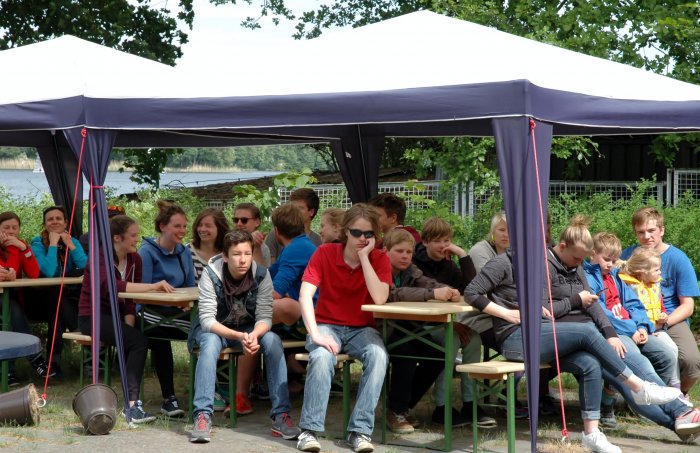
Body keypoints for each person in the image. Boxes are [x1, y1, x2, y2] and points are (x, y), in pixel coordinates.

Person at [465, 214, 688, 453]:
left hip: (546, 334)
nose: (541, 245)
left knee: (590, 364)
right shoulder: (503, 263)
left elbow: (572, 305)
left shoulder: (545, 264)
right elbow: (471, 293)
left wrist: (609, 332)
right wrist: (506, 313)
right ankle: (638, 387)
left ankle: (592, 434)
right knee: (586, 331)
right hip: (515, 338)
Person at [189, 230, 301, 443]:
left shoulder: (261, 275)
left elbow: (265, 316)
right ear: (225, 256)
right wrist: (239, 336)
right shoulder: (210, 274)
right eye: (236, 254)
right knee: (210, 344)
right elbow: (207, 321)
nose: (243, 260)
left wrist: (254, 335)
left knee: (273, 340)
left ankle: (281, 416)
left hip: (248, 328)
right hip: (216, 330)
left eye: (247, 254)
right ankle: (202, 415)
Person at [296, 203, 391, 453]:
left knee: (379, 356)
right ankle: (309, 431)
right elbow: (305, 295)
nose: (362, 239)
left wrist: (364, 258)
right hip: (327, 325)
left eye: (368, 234)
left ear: (375, 236)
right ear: (346, 231)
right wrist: (315, 333)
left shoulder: (379, 258)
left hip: (362, 328)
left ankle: (359, 431)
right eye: (357, 233)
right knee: (321, 356)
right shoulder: (325, 253)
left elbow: (380, 298)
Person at [585, 232, 690, 429]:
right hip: (612, 333)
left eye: (614, 260)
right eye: (606, 259)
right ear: (592, 254)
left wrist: (642, 326)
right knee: (641, 363)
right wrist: (631, 329)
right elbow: (601, 313)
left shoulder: (615, 276)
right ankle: (678, 410)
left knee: (666, 354)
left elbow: (634, 304)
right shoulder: (588, 278)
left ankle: (656, 405)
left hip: (632, 328)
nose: (610, 264)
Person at [78, 215, 174, 424]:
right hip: (93, 317)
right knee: (138, 341)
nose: (136, 239)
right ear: (117, 238)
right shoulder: (99, 257)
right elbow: (112, 287)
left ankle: (170, 399)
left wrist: (128, 324)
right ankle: (132, 406)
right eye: (132, 235)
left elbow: (130, 299)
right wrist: (153, 286)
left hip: (120, 317)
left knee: (158, 335)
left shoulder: (134, 259)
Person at [383, 228, 461, 434]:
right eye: (399, 251)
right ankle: (396, 411)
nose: (405, 256)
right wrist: (432, 293)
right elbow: (393, 294)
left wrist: (447, 290)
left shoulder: (410, 269)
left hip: (405, 327)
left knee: (437, 355)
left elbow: (426, 282)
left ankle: (402, 408)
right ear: (385, 251)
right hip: (379, 329)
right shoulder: (379, 268)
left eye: (409, 252)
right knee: (406, 354)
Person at [620, 207, 700, 397]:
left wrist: (661, 324)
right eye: (641, 232)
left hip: (669, 318)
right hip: (633, 318)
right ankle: (633, 397)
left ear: (662, 230)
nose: (646, 236)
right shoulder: (627, 257)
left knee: (691, 362)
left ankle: (678, 395)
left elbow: (688, 306)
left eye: (651, 230)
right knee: (622, 351)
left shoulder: (678, 259)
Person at [413, 216, 482, 426]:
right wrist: (449, 325)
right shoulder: (414, 264)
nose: (443, 246)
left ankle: (470, 403)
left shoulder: (449, 266)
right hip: (419, 325)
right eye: (437, 241)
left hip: (445, 323)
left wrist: (462, 255)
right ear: (425, 241)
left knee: (474, 339)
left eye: (447, 241)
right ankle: (441, 406)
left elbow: (472, 289)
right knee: (451, 340)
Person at [138, 200, 196, 418]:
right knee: (199, 330)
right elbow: (142, 292)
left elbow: (191, 287)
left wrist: (186, 302)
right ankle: (170, 399)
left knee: (207, 329)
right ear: (163, 227)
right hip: (149, 313)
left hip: (179, 312)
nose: (182, 231)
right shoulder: (147, 252)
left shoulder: (184, 252)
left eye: (184, 226)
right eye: (177, 226)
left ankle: (209, 392)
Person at [30, 205, 87, 376]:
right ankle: (78, 331)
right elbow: (47, 272)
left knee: (58, 313)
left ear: (65, 222)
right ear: (45, 224)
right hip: (41, 297)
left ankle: (53, 363)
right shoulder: (38, 243)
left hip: (66, 298)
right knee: (56, 297)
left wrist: (71, 246)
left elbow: (86, 266)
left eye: (58, 218)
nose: (54, 222)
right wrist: (54, 244)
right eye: (50, 219)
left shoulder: (72, 241)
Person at [0, 211, 52, 383]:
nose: (11, 231)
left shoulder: (20, 245)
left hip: (13, 297)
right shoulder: (8, 246)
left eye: (14, 228)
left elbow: (34, 273)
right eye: (6, 227)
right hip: (4, 298)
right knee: (11, 311)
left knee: (12, 313)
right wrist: (11, 252)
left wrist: (23, 249)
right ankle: (35, 357)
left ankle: (8, 372)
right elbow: (7, 270)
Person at [618, 247, 679, 375]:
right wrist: (645, 329)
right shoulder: (630, 287)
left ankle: (673, 383)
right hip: (639, 331)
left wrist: (663, 316)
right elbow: (627, 311)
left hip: (656, 328)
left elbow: (660, 306)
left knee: (672, 349)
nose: (660, 272)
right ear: (642, 273)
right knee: (662, 354)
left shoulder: (655, 285)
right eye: (656, 270)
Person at [265, 188, 322, 264]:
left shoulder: (319, 241)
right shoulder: (277, 234)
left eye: (300, 208)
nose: (294, 212)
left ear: (311, 212)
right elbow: (270, 267)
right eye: (292, 208)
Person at [186, 208, 229, 283]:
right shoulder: (186, 251)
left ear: (220, 228)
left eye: (208, 226)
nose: (202, 229)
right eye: (200, 225)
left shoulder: (228, 253)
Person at [233, 202, 271, 267]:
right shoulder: (227, 242)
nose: (239, 223)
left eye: (244, 220)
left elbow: (263, 272)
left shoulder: (262, 248)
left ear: (257, 222)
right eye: (236, 220)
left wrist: (256, 248)